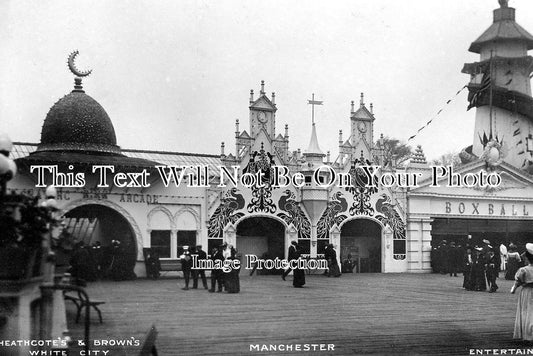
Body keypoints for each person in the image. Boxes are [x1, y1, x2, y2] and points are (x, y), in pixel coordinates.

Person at [511, 243, 533, 342]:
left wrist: (513, 289)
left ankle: (527, 335)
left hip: (527, 292)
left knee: (526, 311)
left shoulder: (524, 270)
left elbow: (517, 281)